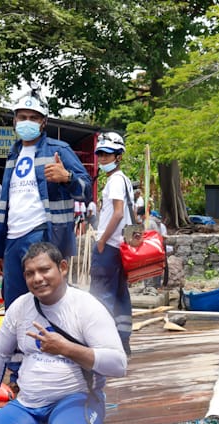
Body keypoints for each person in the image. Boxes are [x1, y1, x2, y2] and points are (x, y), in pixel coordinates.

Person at [0, 242, 127, 424]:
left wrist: (66, 349)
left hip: (76, 401)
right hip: (27, 406)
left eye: (44, 270)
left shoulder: (87, 307)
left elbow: (119, 365)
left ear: (62, 267)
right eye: (30, 273)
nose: (37, 279)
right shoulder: (20, 307)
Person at [0, 95, 92, 310]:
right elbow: (8, 205)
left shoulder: (58, 149)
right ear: (15, 121)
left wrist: (67, 177)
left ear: (43, 122)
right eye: (23, 117)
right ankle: (20, 344)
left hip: (43, 233)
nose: (27, 121)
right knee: (13, 302)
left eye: (34, 118)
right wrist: (2, 249)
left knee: (46, 297)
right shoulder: (13, 154)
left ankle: (53, 341)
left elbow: (86, 191)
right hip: (13, 238)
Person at [89, 132, 133, 354]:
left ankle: (102, 343)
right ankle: (123, 341)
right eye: (100, 154)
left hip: (109, 246)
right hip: (120, 247)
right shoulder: (125, 180)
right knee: (120, 294)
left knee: (100, 295)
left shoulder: (115, 180)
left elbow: (116, 214)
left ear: (118, 156)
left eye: (108, 154)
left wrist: (102, 240)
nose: (103, 159)